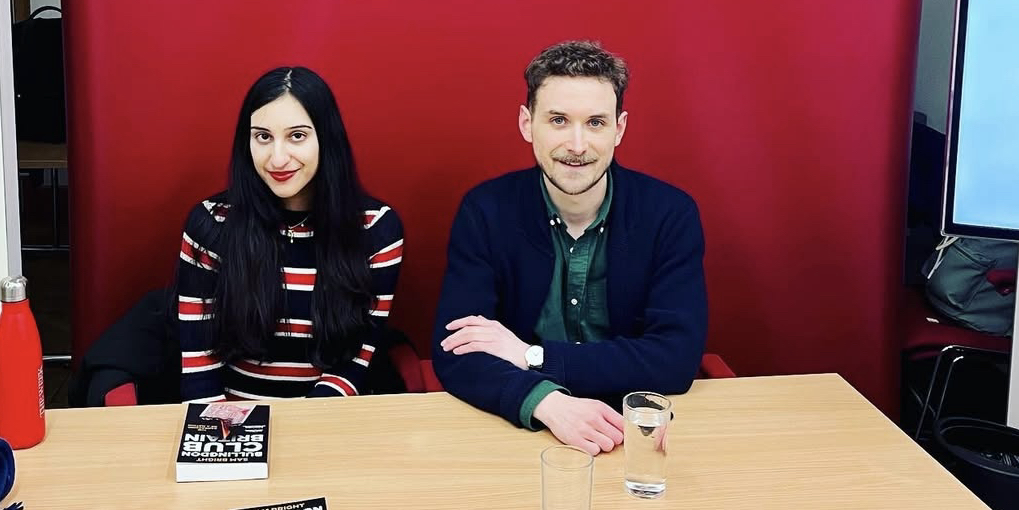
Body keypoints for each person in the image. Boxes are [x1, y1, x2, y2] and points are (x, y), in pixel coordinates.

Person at [432, 40, 706, 455]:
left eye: (595, 123)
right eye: (558, 120)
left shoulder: (670, 214)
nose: (577, 146)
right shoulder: (485, 211)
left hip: (636, 431)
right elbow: (457, 350)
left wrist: (531, 355)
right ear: (527, 124)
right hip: (520, 430)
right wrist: (546, 402)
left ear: (619, 129)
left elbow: (675, 358)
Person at [177, 66, 404, 401]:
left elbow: (357, 360)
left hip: (330, 415)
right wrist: (225, 428)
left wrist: (306, 423)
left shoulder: (376, 228)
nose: (278, 158)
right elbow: (200, 366)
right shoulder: (211, 223)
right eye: (263, 137)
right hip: (234, 417)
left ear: (326, 139)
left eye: (297, 136)